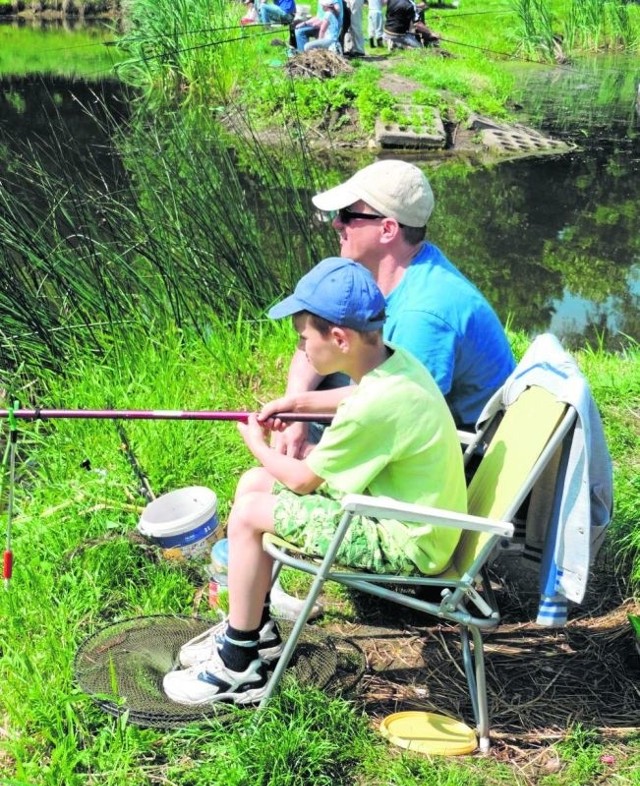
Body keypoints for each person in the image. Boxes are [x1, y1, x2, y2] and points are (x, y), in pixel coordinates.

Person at [163, 257, 467, 705]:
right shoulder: (399, 365)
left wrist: (258, 444)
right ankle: (256, 631)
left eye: (304, 339)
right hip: (408, 517)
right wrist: (297, 401)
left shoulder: (376, 406)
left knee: (249, 514)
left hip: (406, 542)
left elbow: (304, 480)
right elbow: (356, 393)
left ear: (339, 339)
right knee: (253, 485)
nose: (303, 349)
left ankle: (238, 667)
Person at [272, 159, 515, 460]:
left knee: (287, 463)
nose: (337, 223)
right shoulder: (388, 270)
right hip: (407, 401)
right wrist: (295, 406)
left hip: (460, 449)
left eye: (347, 215)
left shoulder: (423, 316)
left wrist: (300, 415)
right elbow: (312, 336)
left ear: (387, 229)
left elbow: (398, 405)